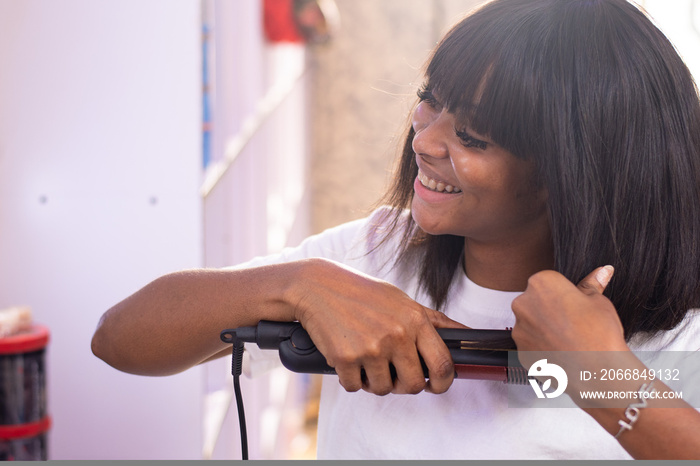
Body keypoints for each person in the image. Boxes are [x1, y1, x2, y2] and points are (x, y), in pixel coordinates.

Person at [92, 0, 700, 459]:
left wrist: (605, 378)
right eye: (430, 99)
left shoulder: (680, 330)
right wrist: (298, 286)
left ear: (573, 175)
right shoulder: (375, 253)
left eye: (472, 136)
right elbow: (118, 339)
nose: (425, 139)